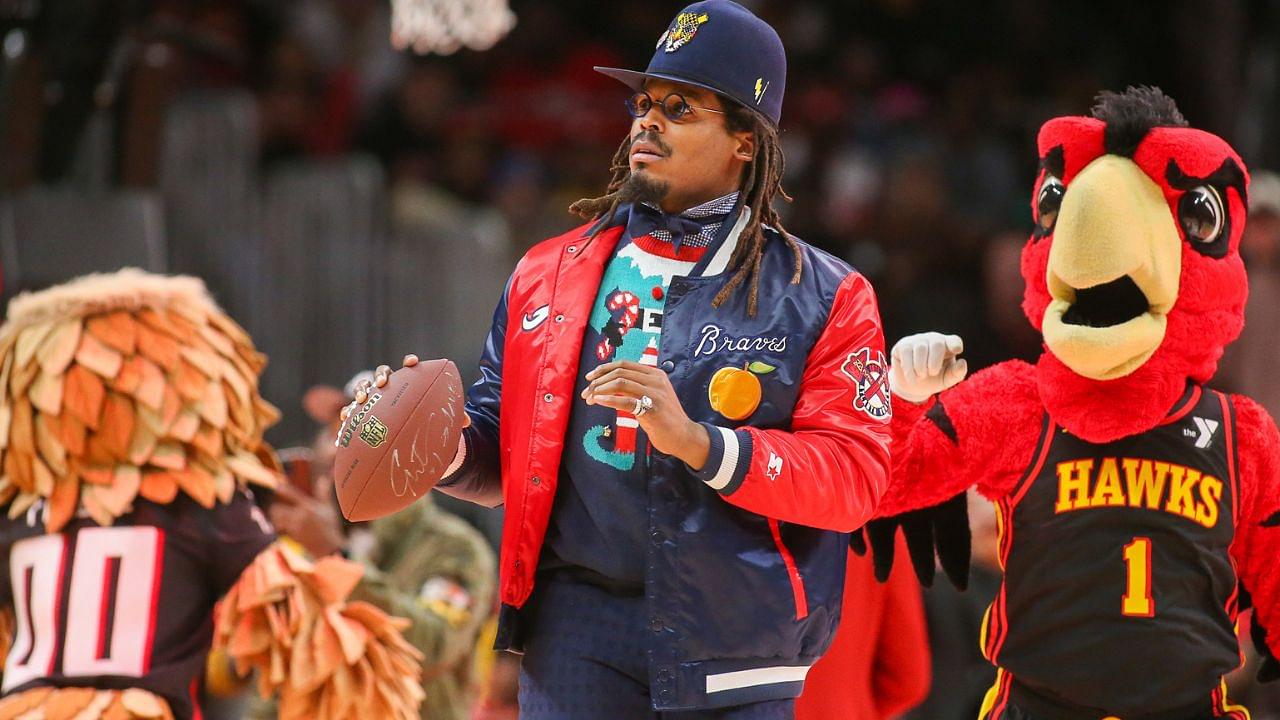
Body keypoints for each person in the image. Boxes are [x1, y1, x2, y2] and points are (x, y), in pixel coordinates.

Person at [358, 2, 892, 717]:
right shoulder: (546, 272)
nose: (647, 120)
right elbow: (504, 446)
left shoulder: (825, 295)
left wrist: (703, 446)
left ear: (745, 140)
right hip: (575, 627)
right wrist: (441, 449)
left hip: (736, 635)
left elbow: (856, 478)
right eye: (643, 103)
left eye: (679, 107)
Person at [258, 379, 497, 720]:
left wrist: (335, 560)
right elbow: (275, 678)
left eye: (355, 429)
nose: (333, 444)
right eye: (333, 429)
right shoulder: (302, 549)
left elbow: (431, 645)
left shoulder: (455, 548)